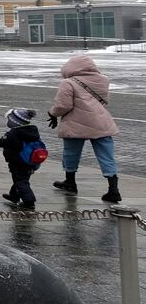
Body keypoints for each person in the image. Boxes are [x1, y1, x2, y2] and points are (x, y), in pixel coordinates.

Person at [48, 55, 122, 203]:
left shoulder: (68, 83)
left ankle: (70, 182)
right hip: (101, 122)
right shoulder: (103, 80)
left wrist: (53, 113)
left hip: (76, 122)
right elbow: (105, 99)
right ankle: (113, 190)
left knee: (71, 153)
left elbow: (63, 105)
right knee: (106, 156)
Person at [0, 108, 47, 211]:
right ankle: (14, 195)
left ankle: (29, 202)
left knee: (21, 181)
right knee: (22, 178)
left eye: (9, 119)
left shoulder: (14, 134)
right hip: (30, 160)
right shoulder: (32, 130)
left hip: (18, 161)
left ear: (15, 121)